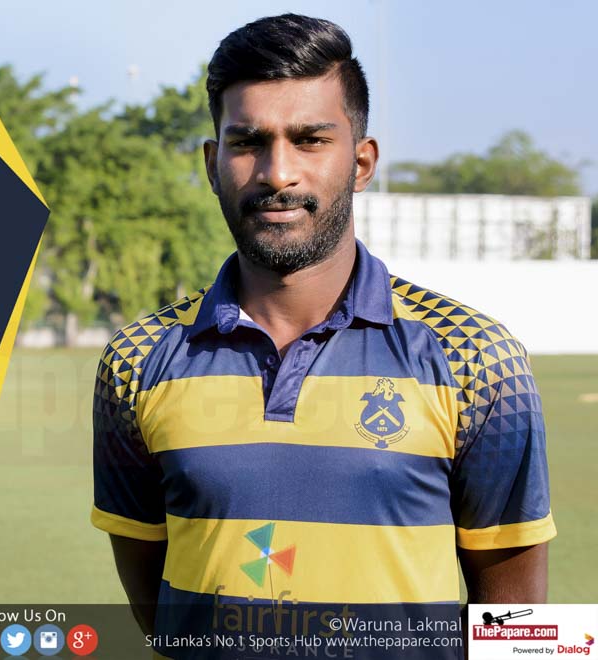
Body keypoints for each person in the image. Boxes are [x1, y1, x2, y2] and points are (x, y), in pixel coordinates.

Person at [90, 12, 555, 657]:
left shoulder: (475, 355)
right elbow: (159, 609)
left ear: (361, 162)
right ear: (213, 163)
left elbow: (517, 627)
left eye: (310, 140)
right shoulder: (136, 359)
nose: (277, 173)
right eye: (247, 141)